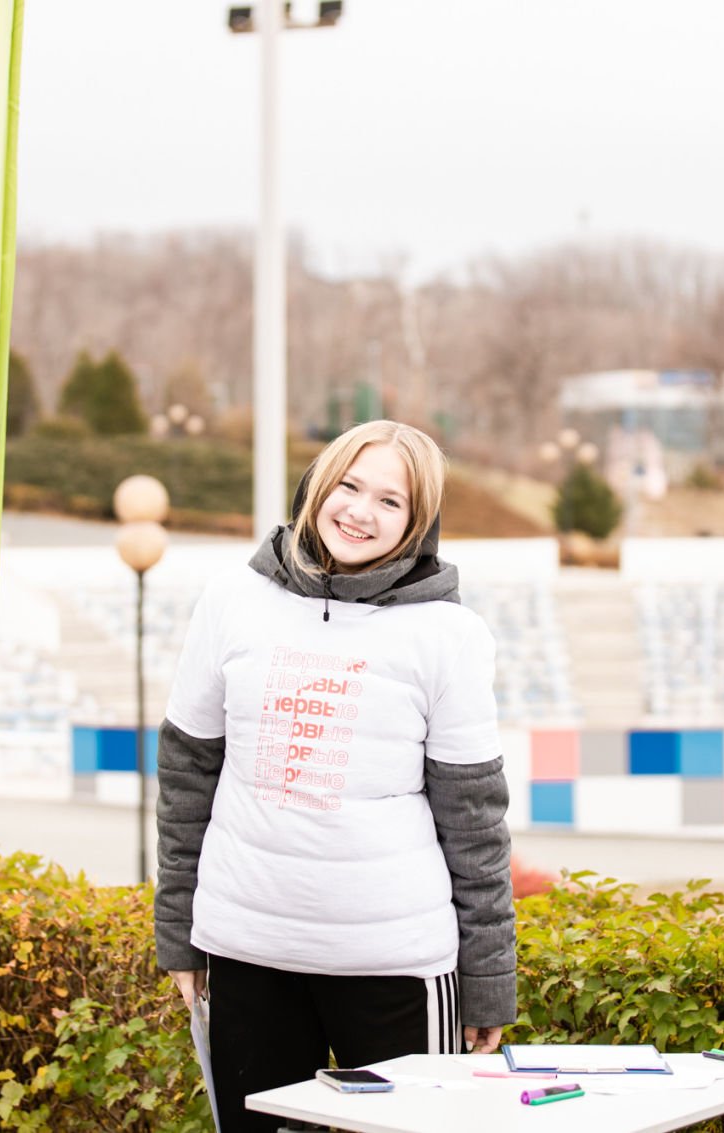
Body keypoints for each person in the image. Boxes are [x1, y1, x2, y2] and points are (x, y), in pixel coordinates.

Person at [154, 419, 516, 1133]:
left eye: (391, 501)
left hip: (394, 968)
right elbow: (187, 774)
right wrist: (179, 932)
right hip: (247, 951)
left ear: (417, 523)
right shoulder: (231, 600)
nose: (360, 511)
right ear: (317, 485)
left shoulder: (449, 636)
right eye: (349, 485)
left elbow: (474, 823)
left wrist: (487, 982)